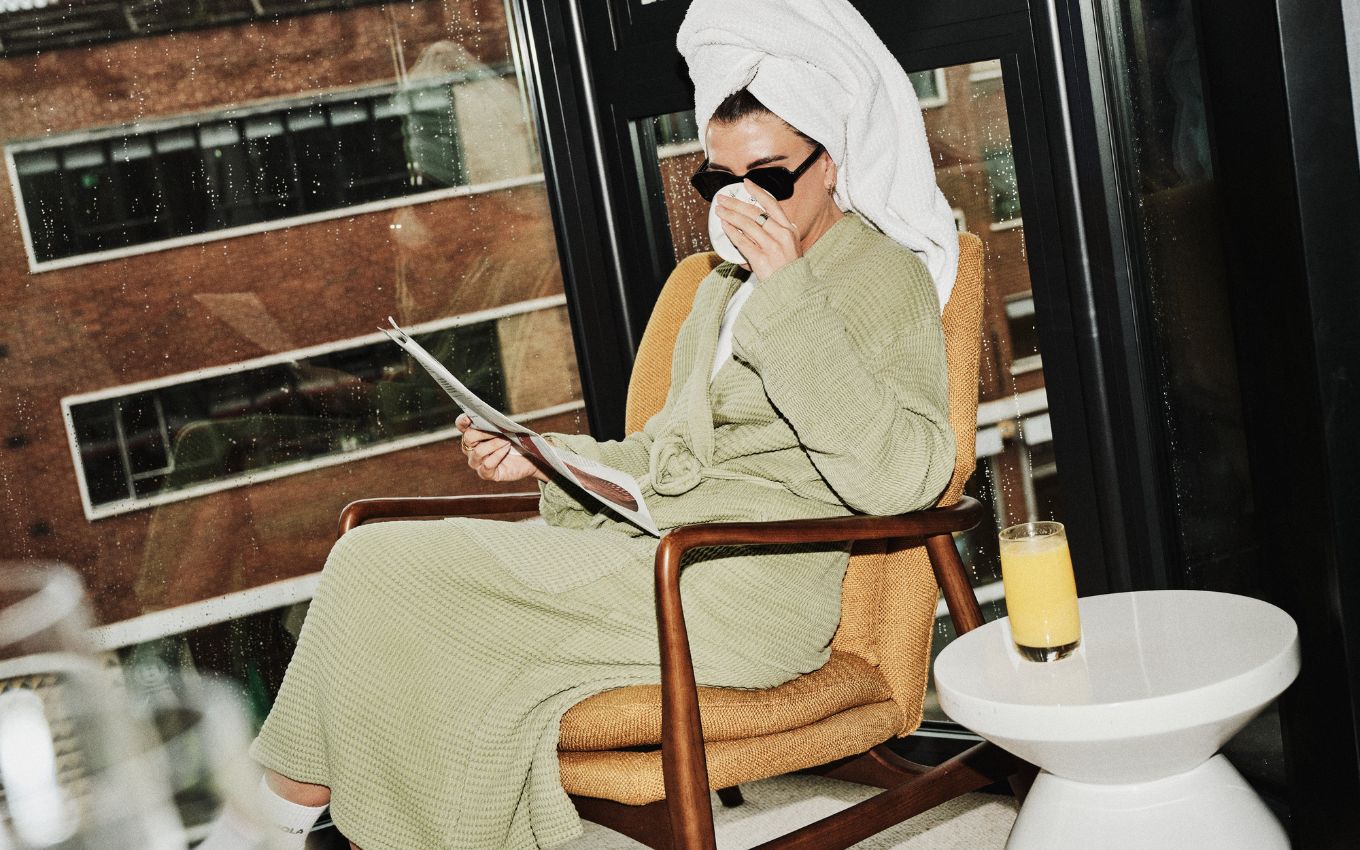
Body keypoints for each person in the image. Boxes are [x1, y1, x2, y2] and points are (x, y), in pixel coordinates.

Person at [199, 2, 960, 848]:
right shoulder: (720, 288)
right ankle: (299, 819)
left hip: (739, 590)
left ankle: (269, 825)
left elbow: (908, 474)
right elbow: (667, 454)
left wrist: (788, 297)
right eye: (720, 178)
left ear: (835, 158)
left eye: (771, 175)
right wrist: (543, 459)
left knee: (384, 562)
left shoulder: (884, 274)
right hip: (660, 556)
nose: (747, 201)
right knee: (385, 567)